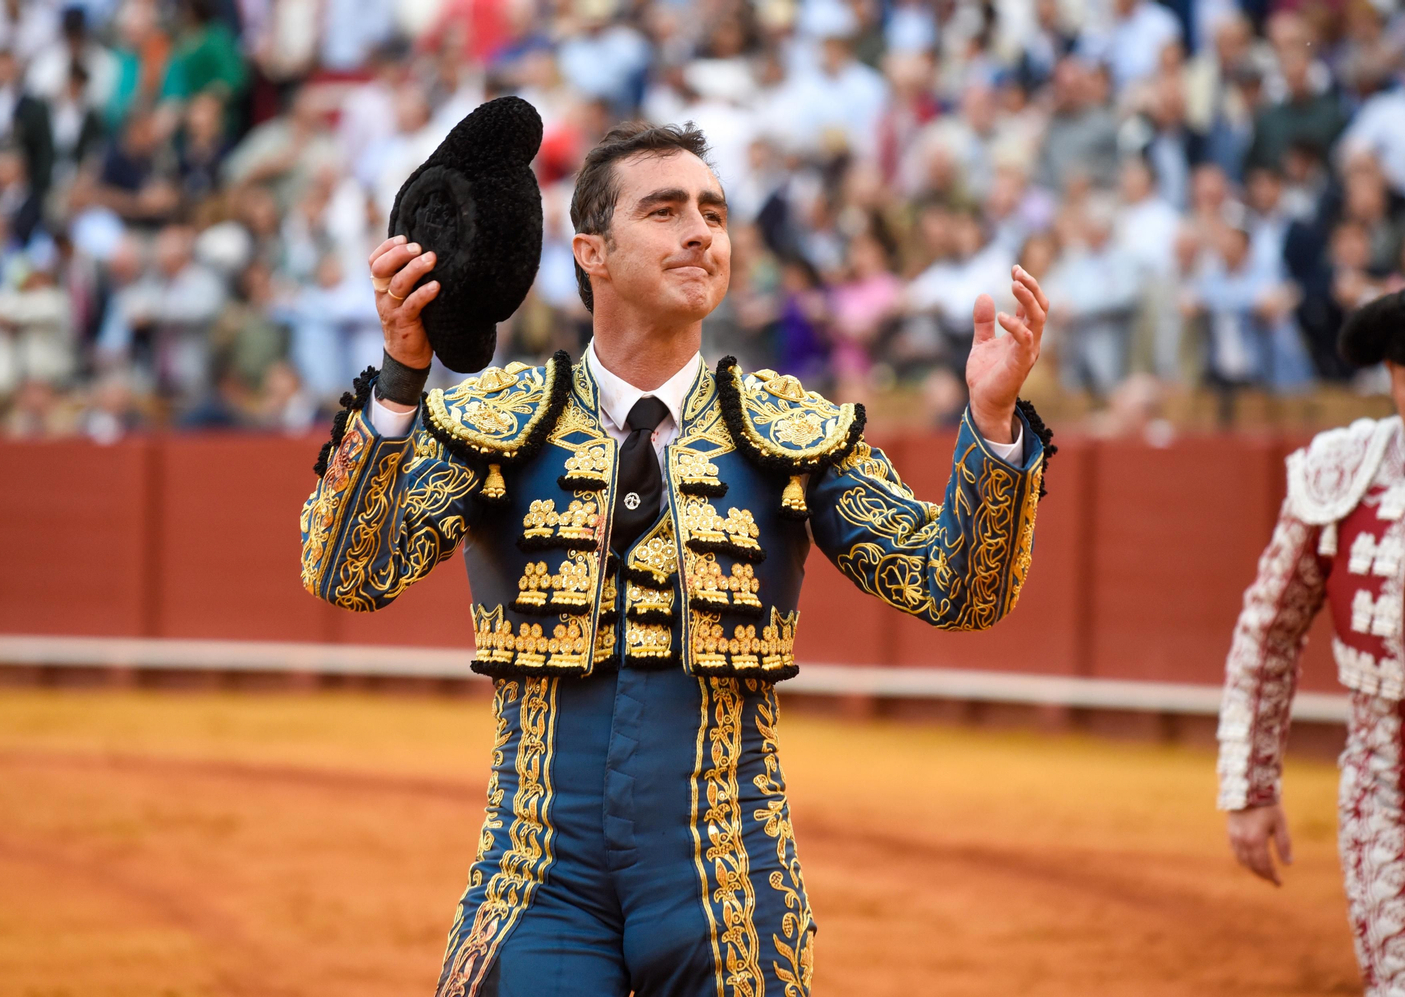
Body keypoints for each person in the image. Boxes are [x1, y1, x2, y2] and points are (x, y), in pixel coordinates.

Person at [299, 121, 1051, 996]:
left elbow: (958, 589)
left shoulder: (789, 430)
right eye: (664, 211)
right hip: (541, 877)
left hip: (728, 883)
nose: (701, 231)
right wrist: (400, 380)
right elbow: (348, 574)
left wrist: (992, 425)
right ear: (593, 252)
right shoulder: (498, 423)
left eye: (714, 212)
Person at [1218, 288, 1405, 997]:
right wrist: (1250, 783)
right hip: (1387, 790)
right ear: (1393, 375)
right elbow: (1268, 631)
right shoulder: (1344, 473)